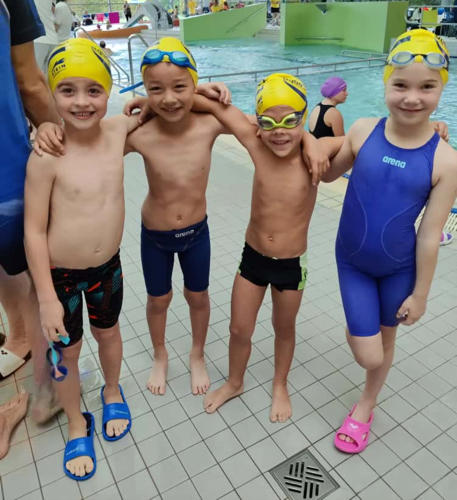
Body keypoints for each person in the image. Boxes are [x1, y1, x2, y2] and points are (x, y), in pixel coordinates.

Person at [120, 38, 326, 398]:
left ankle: (197, 353)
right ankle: (160, 354)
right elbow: (96, 145)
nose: (169, 98)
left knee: (197, 297)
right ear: (146, 90)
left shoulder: (208, 125)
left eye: (179, 87)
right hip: (154, 234)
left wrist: (310, 138)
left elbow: (267, 126)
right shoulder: (141, 132)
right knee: (158, 300)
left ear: (192, 83)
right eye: (156, 90)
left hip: (196, 233)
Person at [320, 29, 457, 453]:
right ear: (385, 84)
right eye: (401, 85)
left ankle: (366, 404)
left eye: (427, 87)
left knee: (387, 337)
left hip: (399, 269)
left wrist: (421, 295)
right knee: (371, 354)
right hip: (353, 263)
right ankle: (359, 331)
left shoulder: (446, 160)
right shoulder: (363, 131)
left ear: (442, 89)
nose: (412, 98)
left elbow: (430, 235)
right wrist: (308, 143)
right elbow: (327, 174)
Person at [24, 38, 141, 481]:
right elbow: (34, 231)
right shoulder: (47, 155)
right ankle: (77, 422)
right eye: (67, 90)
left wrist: (203, 90)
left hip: (108, 269)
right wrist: (46, 299)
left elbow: (161, 104)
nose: (81, 101)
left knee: (109, 334)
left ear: (108, 91)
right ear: (52, 94)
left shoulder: (117, 131)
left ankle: (111, 390)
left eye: (94, 90)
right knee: (67, 353)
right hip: (62, 279)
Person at [199, 73, 325, 422]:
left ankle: (280, 384)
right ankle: (235, 382)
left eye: (290, 121)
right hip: (252, 258)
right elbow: (202, 103)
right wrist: (200, 87)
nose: (278, 132)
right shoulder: (257, 144)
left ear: (304, 117)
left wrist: (313, 140)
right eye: (268, 122)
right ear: (257, 123)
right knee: (239, 329)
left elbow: (366, 140)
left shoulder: (316, 154)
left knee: (284, 329)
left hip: (291, 266)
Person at [1, 0, 62, 429]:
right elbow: (30, 82)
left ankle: (18, 337)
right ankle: (45, 393)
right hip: (5, 178)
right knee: (35, 280)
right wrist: (71, 147)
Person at [34, 0, 59, 72]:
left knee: (34, 74)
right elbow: (54, 12)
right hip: (53, 39)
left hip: (38, 40)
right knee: (51, 74)